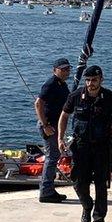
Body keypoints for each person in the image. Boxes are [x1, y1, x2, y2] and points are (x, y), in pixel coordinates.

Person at [57, 66, 112, 222]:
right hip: (80, 147)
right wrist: (60, 138)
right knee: (78, 181)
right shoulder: (76, 96)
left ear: (101, 79)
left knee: (101, 185)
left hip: (101, 147)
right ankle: (87, 205)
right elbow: (64, 116)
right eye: (87, 80)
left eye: (94, 80)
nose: (90, 84)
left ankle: (99, 220)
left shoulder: (110, 98)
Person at [34, 58, 72, 203]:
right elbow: (38, 103)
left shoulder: (61, 84)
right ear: (55, 70)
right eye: (62, 69)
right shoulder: (51, 84)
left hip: (56, 124)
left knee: (54, 156)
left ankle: (48, 189)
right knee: (52, 157)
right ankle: (46, 192)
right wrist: (45, 125)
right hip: (49, 125)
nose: (65, 72)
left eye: (67, 69)